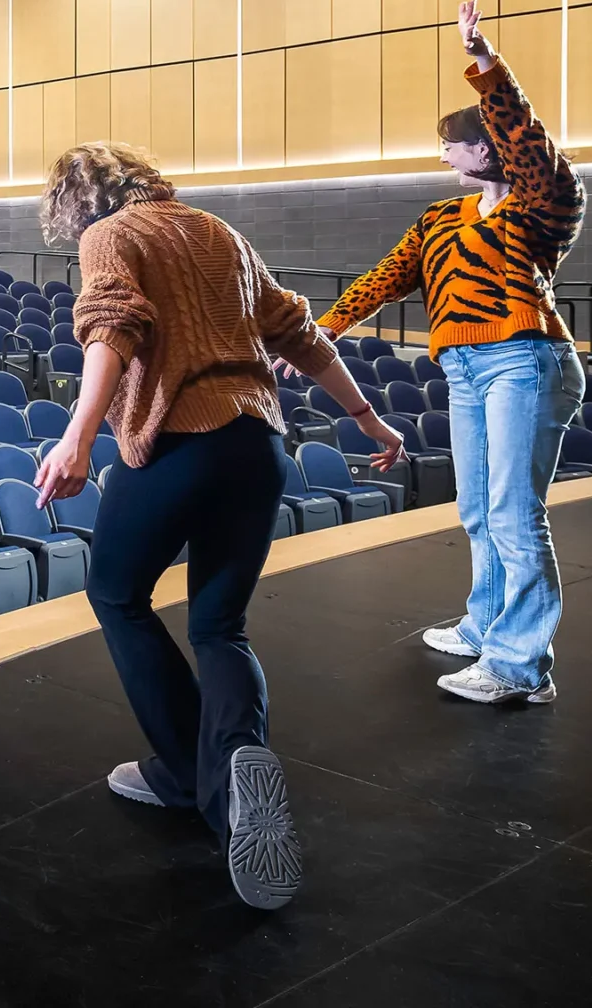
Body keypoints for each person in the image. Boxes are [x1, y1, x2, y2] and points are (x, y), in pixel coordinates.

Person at [29, 141, 404, 911]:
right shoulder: (217, 232)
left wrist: (78, 437)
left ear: (76, 201)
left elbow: (110, 327)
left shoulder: (110, 235)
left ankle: (187, 774)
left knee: (117, 596)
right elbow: (299, 332)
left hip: (179, 443)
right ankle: (233, 760)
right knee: (220, 627)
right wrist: (368, 418)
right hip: (258, 446)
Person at [306, 0, 585, 707]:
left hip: (524, 359)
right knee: (478, 511)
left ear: (486, 149)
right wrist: (328, 326)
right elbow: (388, 275)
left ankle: (519, 665)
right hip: (464, 369)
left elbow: (530, 144)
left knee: (515, 514)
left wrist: (486, 66)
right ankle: (486, 625)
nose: (443, 155)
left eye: (452, 145)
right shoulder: (439, 216)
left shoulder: (544, 203)